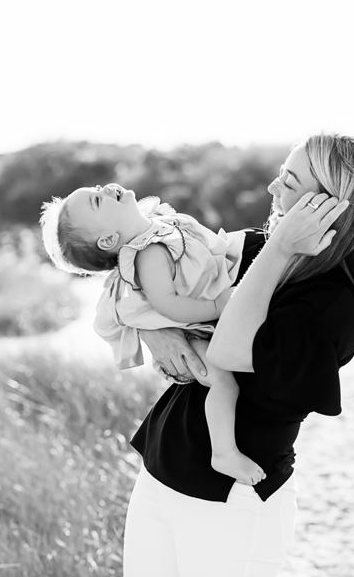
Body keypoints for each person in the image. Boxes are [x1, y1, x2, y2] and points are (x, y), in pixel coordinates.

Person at [123, 134, 354, 577]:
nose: (272, 189)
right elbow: (143, 279)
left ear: (328, 206)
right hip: (159, 475)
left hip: (230, 503)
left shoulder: (334, 301)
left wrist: (281, 248)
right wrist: (155, 330)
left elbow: (230, 349)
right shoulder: (259, 251)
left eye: (288, 180)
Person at [39, 181, 261, 484]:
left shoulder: (160, 226)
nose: (105, 189)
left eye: (98, 188)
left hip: (214, 294)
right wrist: (217, 307)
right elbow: (168, 304)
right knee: (224, 382)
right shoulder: (147, 253)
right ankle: (223, 452)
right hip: (195, 327)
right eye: (97, 201)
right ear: (108, 240)